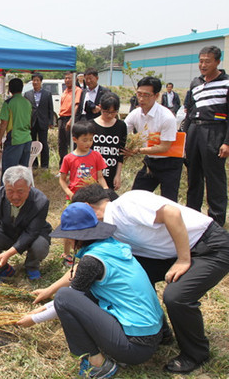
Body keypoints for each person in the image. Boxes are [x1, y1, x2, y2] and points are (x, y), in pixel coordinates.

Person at [73, 184, 229, 374]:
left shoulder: (127, 204)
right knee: (133, 275)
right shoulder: (109, 227)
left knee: (177, 296)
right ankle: (160, 331)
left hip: (208, 247)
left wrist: (183, 259)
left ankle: (196, 353)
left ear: (89, 208)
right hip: (170, 253)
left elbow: (172, 214)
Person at [18, 202, 163, 378]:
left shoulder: (91, 261)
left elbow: (67, 300)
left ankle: (98, 364)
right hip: (153, 335)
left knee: (64, 295)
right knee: (77, 294)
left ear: (74, 236)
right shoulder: (109, 247)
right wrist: (47, 302)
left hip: (135, 347)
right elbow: (77, 291)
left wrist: (33, 319)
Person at [184, 45, 229, 226]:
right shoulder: (195, 83)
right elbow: (189, 112)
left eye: (207, 61)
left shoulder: (226, 83)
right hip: (194, 130)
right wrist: (184, 137)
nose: (203, 65)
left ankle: (216, 220)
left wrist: (227, 142)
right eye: (201, 61)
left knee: (214, 178)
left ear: (218, 62)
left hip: (215, 131)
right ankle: (192, 217)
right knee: (193, 176)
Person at [0, 166, 51, 281]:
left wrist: (8, 253)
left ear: (29, 187)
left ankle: (31, 266)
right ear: (4, 187)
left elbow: (31, 232)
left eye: (20, 191)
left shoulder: (41, 201)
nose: (15, 196)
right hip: (8, 232)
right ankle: (3, 268)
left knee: (39, 246)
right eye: (10, 191)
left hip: (33, 235)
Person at [124, 76, 182, 202]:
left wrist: (138, 150)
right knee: (136, 197)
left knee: (169, 201)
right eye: (139, 94)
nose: (141, 99)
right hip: (150, 161)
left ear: (156, 96)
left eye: (146, 95)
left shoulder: (167, 117)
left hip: (170, 163)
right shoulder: (135, 113)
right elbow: (122, 132)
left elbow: (164, 147)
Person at [59, 120, 108, 267]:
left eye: (91, 139)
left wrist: (106, 192)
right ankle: (67, 253)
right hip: (75, 197)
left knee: (92, 225)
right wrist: (69, 192)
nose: (88, 143)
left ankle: (89, 252)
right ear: (75, 139)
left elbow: (100, 177)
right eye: (84, 140)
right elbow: (62, 179)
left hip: (92, 197)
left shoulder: (96, 156)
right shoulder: (69, 158)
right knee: (69, 226)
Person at [0, 78, 33, 176]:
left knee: (9, 172)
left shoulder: (8, 103)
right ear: (22, 89)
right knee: (23, 172)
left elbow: (4, 123)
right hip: (27, 139)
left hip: (15, 139)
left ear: (10, 89)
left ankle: (6, 191)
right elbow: (29, 121)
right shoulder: (27, 102)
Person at [91, 92, 127, 190]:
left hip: (111, 171)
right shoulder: (91, 125)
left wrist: (118, 175)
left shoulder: (121, 126)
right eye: (106, 111)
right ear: (100, 108)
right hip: (92, 173)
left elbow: (120, 154)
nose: (110, 115)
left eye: (113, 112)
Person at [24, 72, 54, 169]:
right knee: (32, 143)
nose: (35, 82)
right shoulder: (27, 94)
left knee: (43, 143)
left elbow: (50, 109)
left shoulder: (47, 94)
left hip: (43, 122)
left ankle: (45, 165)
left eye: (37, 80)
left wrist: (50, 122)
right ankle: (34, 163)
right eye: (34, 80)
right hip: (31, 123)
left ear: (41, 82)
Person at [57, 71, 81, 168]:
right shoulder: (65, 91)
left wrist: (71, 120)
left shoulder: (77, 90)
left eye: (69, 78)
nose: (67, 80)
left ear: (74, 79)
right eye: (66, 78)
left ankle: (73, 166)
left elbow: (76, 106)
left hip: (70, 118)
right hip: (61, 119)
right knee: (61, 143)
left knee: (71, 143)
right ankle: (62, 167)